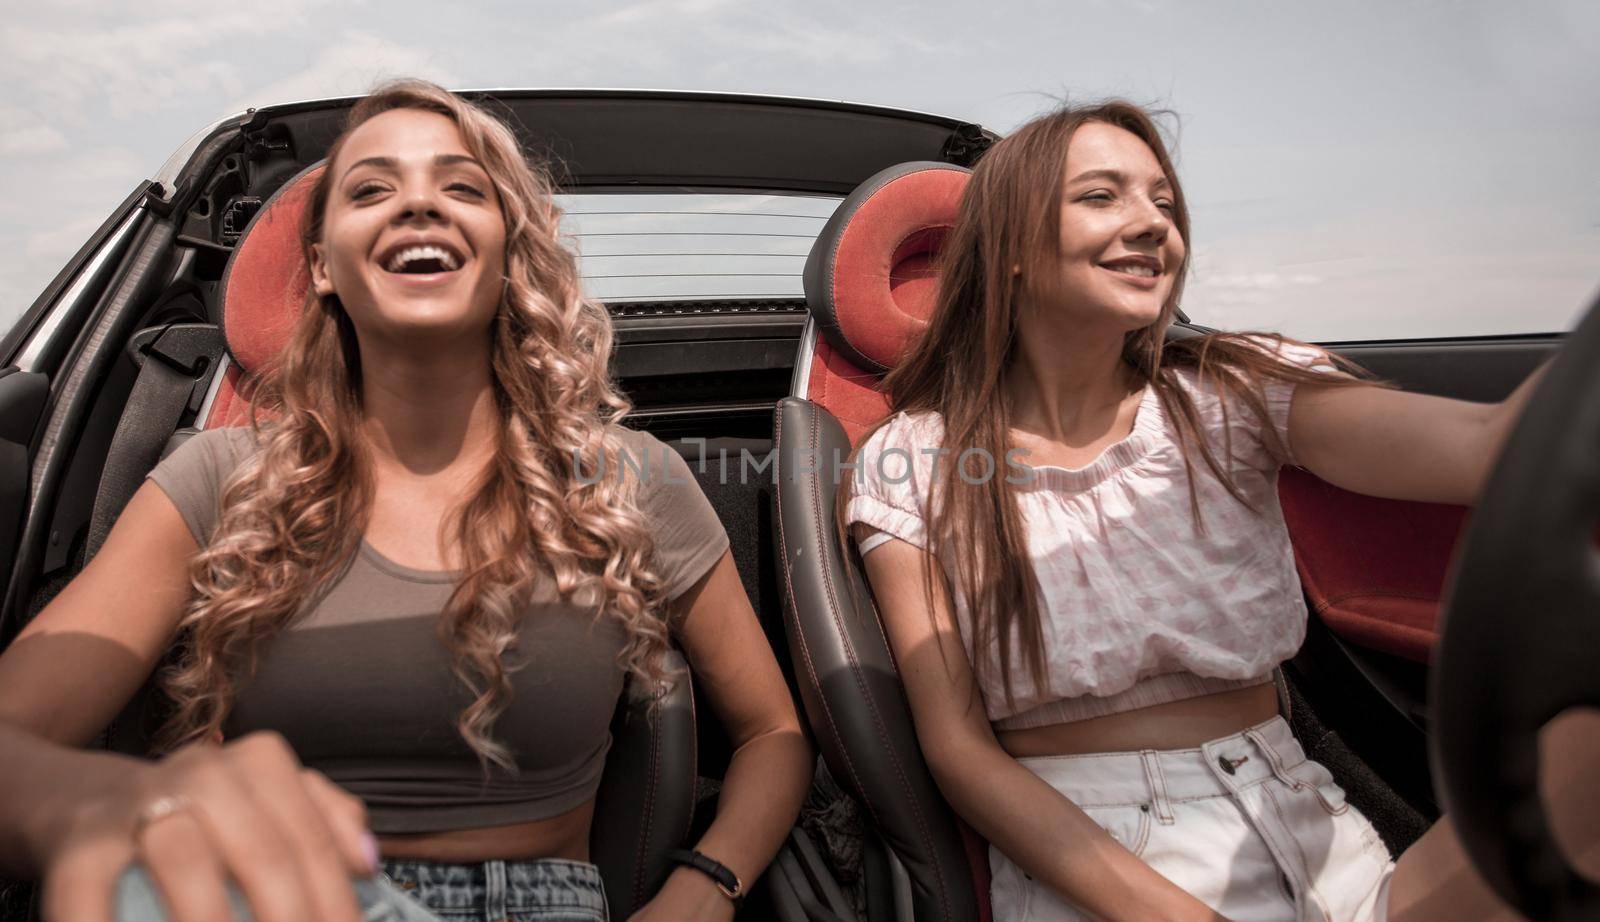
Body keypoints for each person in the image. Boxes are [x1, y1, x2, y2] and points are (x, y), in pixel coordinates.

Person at [0, 79, 812, 922]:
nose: (419, 205)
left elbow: (773, 735)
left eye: (462, 187)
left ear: (508, 252)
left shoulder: (628, 481)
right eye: (372, 189)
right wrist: (108, 805)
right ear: (321, 263)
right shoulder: (218, 477)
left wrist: (706, 888)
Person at [843, 101, 1598, 920]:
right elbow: (956, 749)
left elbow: (1491, 448)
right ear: (1012, 248)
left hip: (1314, 828)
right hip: (1103, 862)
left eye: (1164, 204)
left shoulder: (1233, 391)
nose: (1151, 225)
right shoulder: (914, 459)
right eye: (1103, 197)